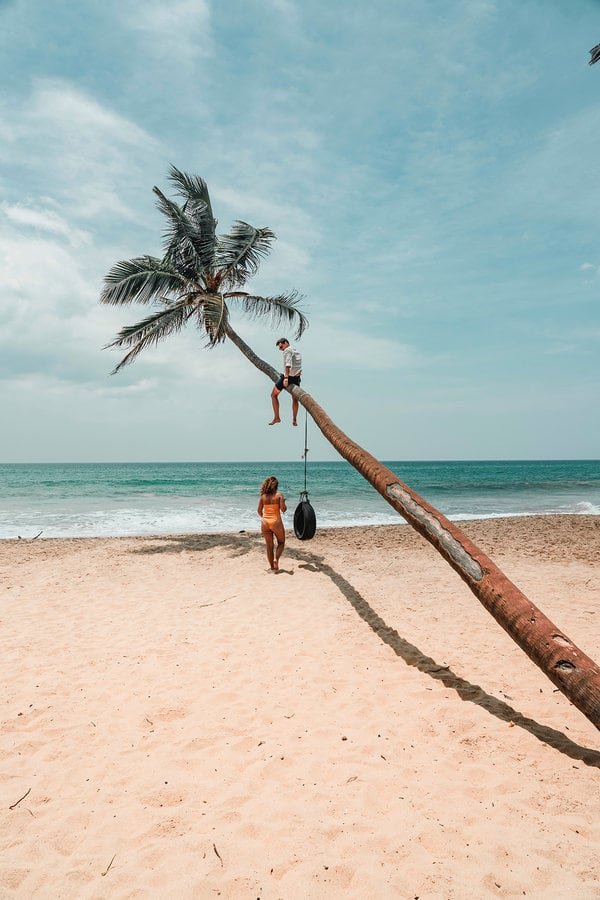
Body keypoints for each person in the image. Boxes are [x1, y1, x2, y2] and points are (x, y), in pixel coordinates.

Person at [269, 337, 302, 426]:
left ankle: (277, 418)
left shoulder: (287, 350)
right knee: (295, 399)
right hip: (297, 378)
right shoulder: (295, 350)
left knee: (273, 395)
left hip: (288, 377)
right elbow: (297, 365)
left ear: (286, 343)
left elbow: (288, 365)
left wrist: (286, 378)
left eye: (281, 347)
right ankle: (294, 420)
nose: (281, 349)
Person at [257, 475, 287, 572]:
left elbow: (259, 511)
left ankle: (272, 567)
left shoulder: (263, 497)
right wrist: (283, 502)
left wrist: (264, 518)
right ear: (276, 486)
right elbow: (283, 509)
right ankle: (276, 559)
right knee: (281, 542)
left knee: (269, 546)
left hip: (265, 522)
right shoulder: (279, 495)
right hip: (276, 522)